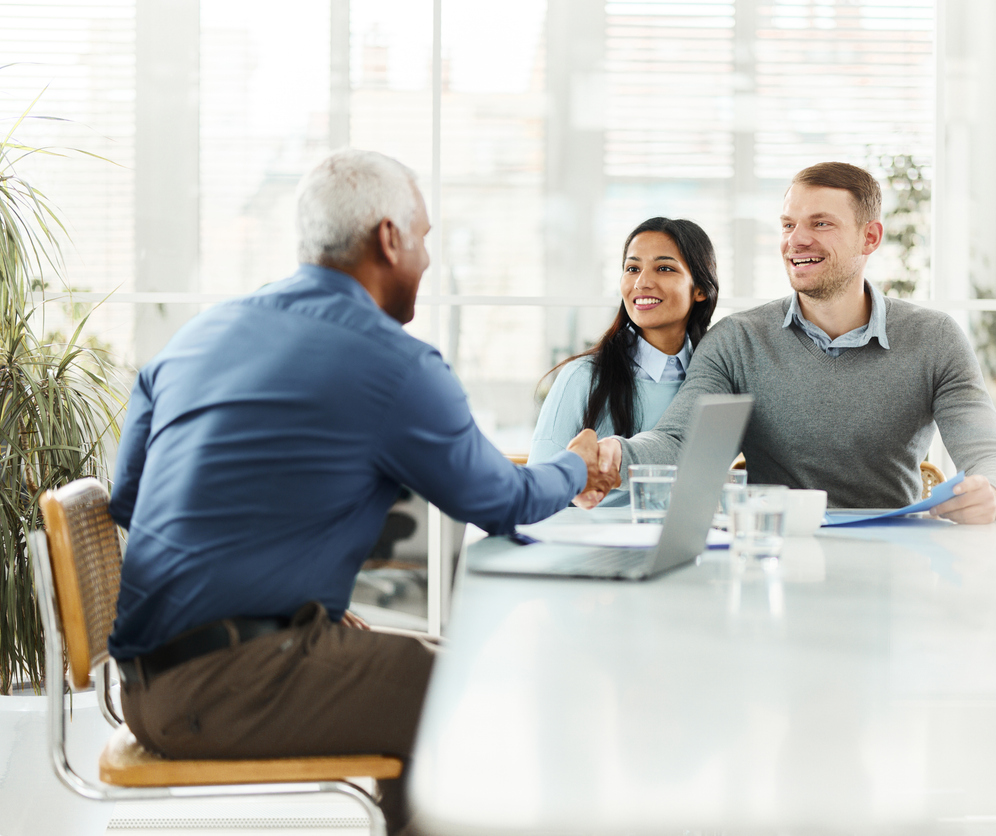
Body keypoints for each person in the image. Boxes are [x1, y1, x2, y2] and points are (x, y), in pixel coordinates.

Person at [107, 149, 617, 835]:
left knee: (438, 664)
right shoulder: (391, 362)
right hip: (227, 686)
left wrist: (281, 604)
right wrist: (578, 465)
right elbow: (500, 502)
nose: (428, 261)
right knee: (503, 693)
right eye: (425, 238)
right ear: (388, 238)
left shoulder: (201, 334)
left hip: (149, 683)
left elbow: (131, 500)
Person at [582, 162, 996, 525]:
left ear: (870, 237)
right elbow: (680, 441)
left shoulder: (934, 339)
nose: (796, 240)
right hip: (775, 549)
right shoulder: (737, 341)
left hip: (893, 557)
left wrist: (993, 492)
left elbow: (991, 456)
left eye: (821, 223)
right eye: (789, 224)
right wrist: (615, 453)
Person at [528, 217, 718, 505]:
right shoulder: (582, 377)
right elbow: (539, 495)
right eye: (632, 269)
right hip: (593, 545)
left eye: (664, 268)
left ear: (700, 289)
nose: (642, 283)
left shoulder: (713, 380)